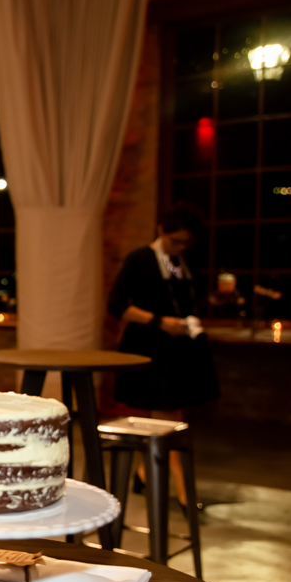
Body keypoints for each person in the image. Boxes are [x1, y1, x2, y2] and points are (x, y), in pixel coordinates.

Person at [107, 201, 219, 501]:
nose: (180, 246)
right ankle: (184, 492)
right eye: (175, 240)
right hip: (150, 347)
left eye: (186, 242)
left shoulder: (178, 262)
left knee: (172, 416)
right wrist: (158, 321)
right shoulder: (140, 259)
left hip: (178, 349)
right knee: (169, 421)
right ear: (162, 231)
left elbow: (181, 299)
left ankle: (144, 476)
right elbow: (116, 305)